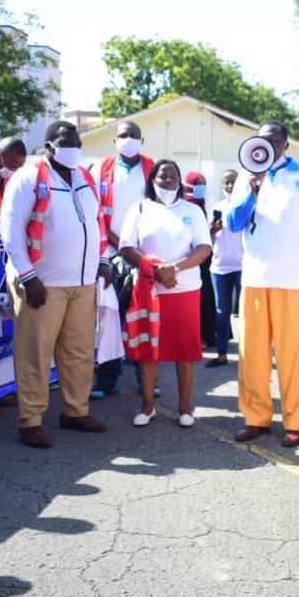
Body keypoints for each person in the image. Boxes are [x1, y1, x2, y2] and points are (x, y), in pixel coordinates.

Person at [0, 120, 111, 449]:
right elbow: (11, 228)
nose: (73, 148)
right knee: (35, 352)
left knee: (78, 353)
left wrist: (102, 262)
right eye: (65, 143)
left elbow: (97, 223)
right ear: (49, 147)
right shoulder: (29, 177)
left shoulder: (85, 177)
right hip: (42, 284)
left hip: (83, 282)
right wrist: (27, 275)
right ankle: (30, 420)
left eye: (76, 142)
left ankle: (76, 411)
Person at [226, 120, 299, 448]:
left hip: (295, 281)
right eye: (262, 140)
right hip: (256, 281)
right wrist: (253, 192)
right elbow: (233, 223)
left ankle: (294, 421)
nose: (268, 145)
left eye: (274, 140)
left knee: (294, 356)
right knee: (253, 356)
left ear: (285, 145)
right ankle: (256, 417)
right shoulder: (247, 176)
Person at [119, 160, 212, 427]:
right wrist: (156, 269)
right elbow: (127, 246)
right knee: (149, 351)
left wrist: (173, 268)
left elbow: (203, 248)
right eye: (162, 176)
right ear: (152, 180)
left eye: (173, 176)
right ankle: (148, 407)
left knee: (184, 351)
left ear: (179, 181)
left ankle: (185, 407)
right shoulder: (139, 208)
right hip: (150, 290)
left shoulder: (192, 211)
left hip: (185, 290)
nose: (168, 181)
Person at [89, 120, 155, 398]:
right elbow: (95, 212)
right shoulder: (100, 169)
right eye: (123, 135)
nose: (129, 139)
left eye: (134, 135)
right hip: (110, 253)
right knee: (109, 318)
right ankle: (107, 378)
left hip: (144, 255)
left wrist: (136, 251)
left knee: (144, 318)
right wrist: (121, 245)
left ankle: (147, 379)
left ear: (143, 140)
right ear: (114, 141)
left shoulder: (153, 168)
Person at [207, 169, 244, 368]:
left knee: (247, 312)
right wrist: (212, 230)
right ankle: (222, 354)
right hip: (220, 267)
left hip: (244, 266)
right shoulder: (217, 207)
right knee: (222, 312)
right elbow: (207, 240)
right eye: (226, 183)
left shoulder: (246, 206)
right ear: (221, 186)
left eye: (233, 182)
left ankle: (250, 356)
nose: (229, 186)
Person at [184, 170, 218, 349]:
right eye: (198, 183)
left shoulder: (207, 203)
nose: (202, 186)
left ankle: (209, 334)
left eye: (203, 182)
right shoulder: (184, 205)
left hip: (206, 257)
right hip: (189, 257)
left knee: (207, 297)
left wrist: (211, 230)